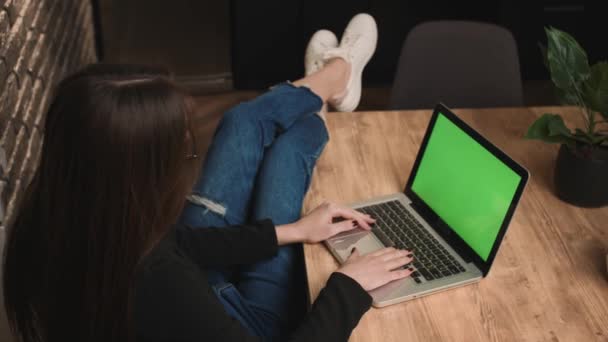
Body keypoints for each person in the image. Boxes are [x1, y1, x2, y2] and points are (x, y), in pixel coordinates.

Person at [3, 14, 414, 342]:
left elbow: (173, 244)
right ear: (138, 176)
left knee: (241, 122)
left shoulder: (66, 212)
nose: (186, 159)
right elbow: (167, 274)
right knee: (290, 147)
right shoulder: (156, 283)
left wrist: (291, 232)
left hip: (196, 296)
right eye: (179, 151)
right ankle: (331, 87)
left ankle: (332, 80)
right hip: (245, 322)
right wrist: (347, 288)